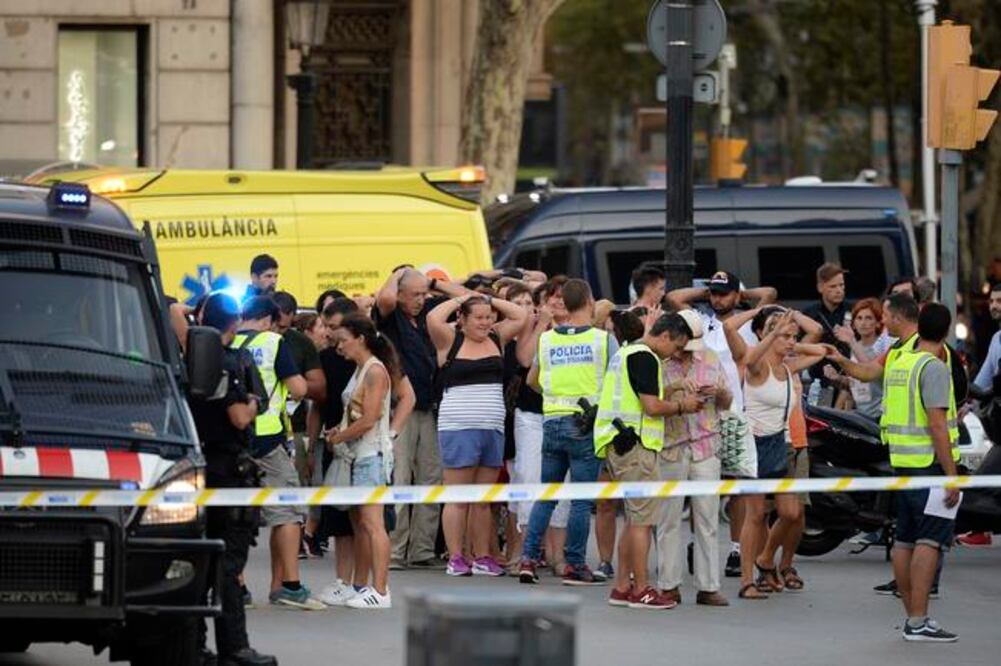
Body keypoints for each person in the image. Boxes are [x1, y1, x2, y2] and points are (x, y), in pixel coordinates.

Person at [667, 271, 777, 576]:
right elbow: (674, 299)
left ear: (736, 296)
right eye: (714, 294)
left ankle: (737, 548)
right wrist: (705, 293)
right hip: (703, 411)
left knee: (739, 484)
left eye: (724, 294)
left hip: (738, 410)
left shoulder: (750, 324)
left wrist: (742, 297)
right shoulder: (701, 321)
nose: (718, 299)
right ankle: (697, 543)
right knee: (702, 483)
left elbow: (769, 293)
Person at [190, 293, 276, 666]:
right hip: (228, 472)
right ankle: (234, 647)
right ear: (235, 322)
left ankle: (195, 646)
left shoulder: (189, 360)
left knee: (199, 561)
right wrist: (256, 402)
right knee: (228, 564)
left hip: (199, 469)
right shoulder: (228, 363)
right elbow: (241, 417)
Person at [596, 312, 698, 609]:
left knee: (633, 520)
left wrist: (673, 388)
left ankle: (622, 587)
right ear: (664, 336)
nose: (676, 354)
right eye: (677, 347)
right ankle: (641, 589)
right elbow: (651, 406)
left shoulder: (627, 352)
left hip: (618, 444)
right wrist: (683, 406)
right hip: (636, 447)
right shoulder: (646, 357)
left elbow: (637, 395)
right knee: (642, 522)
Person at [519, 279, 617, 586]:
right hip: (585, 425)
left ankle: (528, 559)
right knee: (581, 500)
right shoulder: (602, 340)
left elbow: (532, 380)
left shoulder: (547, 340)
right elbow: (617, 381)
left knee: (547, 495)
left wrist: (555, 392)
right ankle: (575, 563)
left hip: (552, 422)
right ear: (589, 301)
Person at [426, 292, 527, 576]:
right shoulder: (450, 339)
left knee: (483, 499)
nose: (485, 322)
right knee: (458, 497)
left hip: (492, 427)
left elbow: (519, 315)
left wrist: (489, 300)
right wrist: (462, 299)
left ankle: (483, 556)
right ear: (462, 320)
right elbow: (433, 317)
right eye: (479, 318)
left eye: (489, 317)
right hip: (458, 426)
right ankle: (456, 556)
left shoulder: (497, 338)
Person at [374, 267, 465, 569]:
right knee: (400, 477)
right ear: (399, 295)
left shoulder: (427, 312)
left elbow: (468, 299)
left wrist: (433, 283)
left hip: (430, 406)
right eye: (414, 294)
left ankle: (422, 549)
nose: (421, 299)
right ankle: (397, 550)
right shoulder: (390, 317)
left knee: (431, 477)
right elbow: (384, 297)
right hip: (402, 408)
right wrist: (398, 272)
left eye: (424, 294)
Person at [880, 303, 961, 642]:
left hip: (902, 464)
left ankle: (912, 617)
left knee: (904, 540)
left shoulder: (902, 362)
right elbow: (938, 425)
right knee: (930, 540)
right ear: (945, 331)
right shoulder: (935, 367)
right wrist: (951, 474)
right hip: (929, 466)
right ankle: (918, 619)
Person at [233, 297, 320, 610]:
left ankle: (237, 588)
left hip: (233, 439)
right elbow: (298, 389)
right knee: (287, 511)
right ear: (269, 320)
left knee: (235, 514)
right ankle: (289, 585)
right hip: (269, 439)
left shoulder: (224, 339)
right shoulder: (274, 342)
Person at [734, 309, 827, 600]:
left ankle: (765, 559)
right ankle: (747, 580)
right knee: (756, 513)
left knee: (790, 512)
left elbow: (820, 351)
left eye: (793, 337)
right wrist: (776, 334)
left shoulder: (789, 368)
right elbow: (748, 359)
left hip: (783, 444)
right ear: (768, 336)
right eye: (786, 337)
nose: (790, 341)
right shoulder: (758, 366)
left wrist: (791, 341)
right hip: (754, 445)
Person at [656, 309, 731, 607]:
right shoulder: (659, 360)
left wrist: (719, 392)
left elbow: (727, 401)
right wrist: (677, 395)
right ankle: (668, 584)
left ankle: (708, 586)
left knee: (707, 518)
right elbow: (648, 400)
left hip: (705, 443)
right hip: (671, 444)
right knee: (668, 518)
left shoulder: (710, 358)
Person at [324, 315, 400, 609]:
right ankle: (366, 586)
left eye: (343, 340)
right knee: (360, 523)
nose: (338, 346)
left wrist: (338, 438)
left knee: (373, 523)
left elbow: (370, 419)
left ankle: (381, 590)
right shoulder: (361, 370)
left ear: (361, 339)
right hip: (358, 455)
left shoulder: (375, 371)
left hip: (372, 455)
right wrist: (341, 432)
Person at [273, 292, 327, 504]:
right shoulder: (251, 340)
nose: (277, 331)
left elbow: (320, 389)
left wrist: (291, 384)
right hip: (255, 434)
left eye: (284, 328)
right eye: (274, 325)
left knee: (295, 500)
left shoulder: (300, 343)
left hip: (293, 430)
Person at [828, 298, 891, 420]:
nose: (863, 323)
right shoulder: (856, 345)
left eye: (869, 318)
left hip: (879, 415)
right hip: (861, 413)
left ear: (878, 323)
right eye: (859, 318)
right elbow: (855, 383)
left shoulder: (882, 345)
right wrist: (838, 378)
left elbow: (869, 371)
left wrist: (851, 341)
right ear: (854, 324)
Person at [803, 262, 852, 406]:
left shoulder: (854, 311)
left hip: (848, 383)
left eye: (841, 285)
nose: (839, 290)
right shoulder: (810, 313)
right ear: (820, 287)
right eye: (833, 286)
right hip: (818, 381)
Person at [972, 282, 1001, 393]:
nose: (994, 306)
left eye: (999, 301)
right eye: (991, 301)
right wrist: (969, 405)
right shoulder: (995, 339)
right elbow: (983, 379)